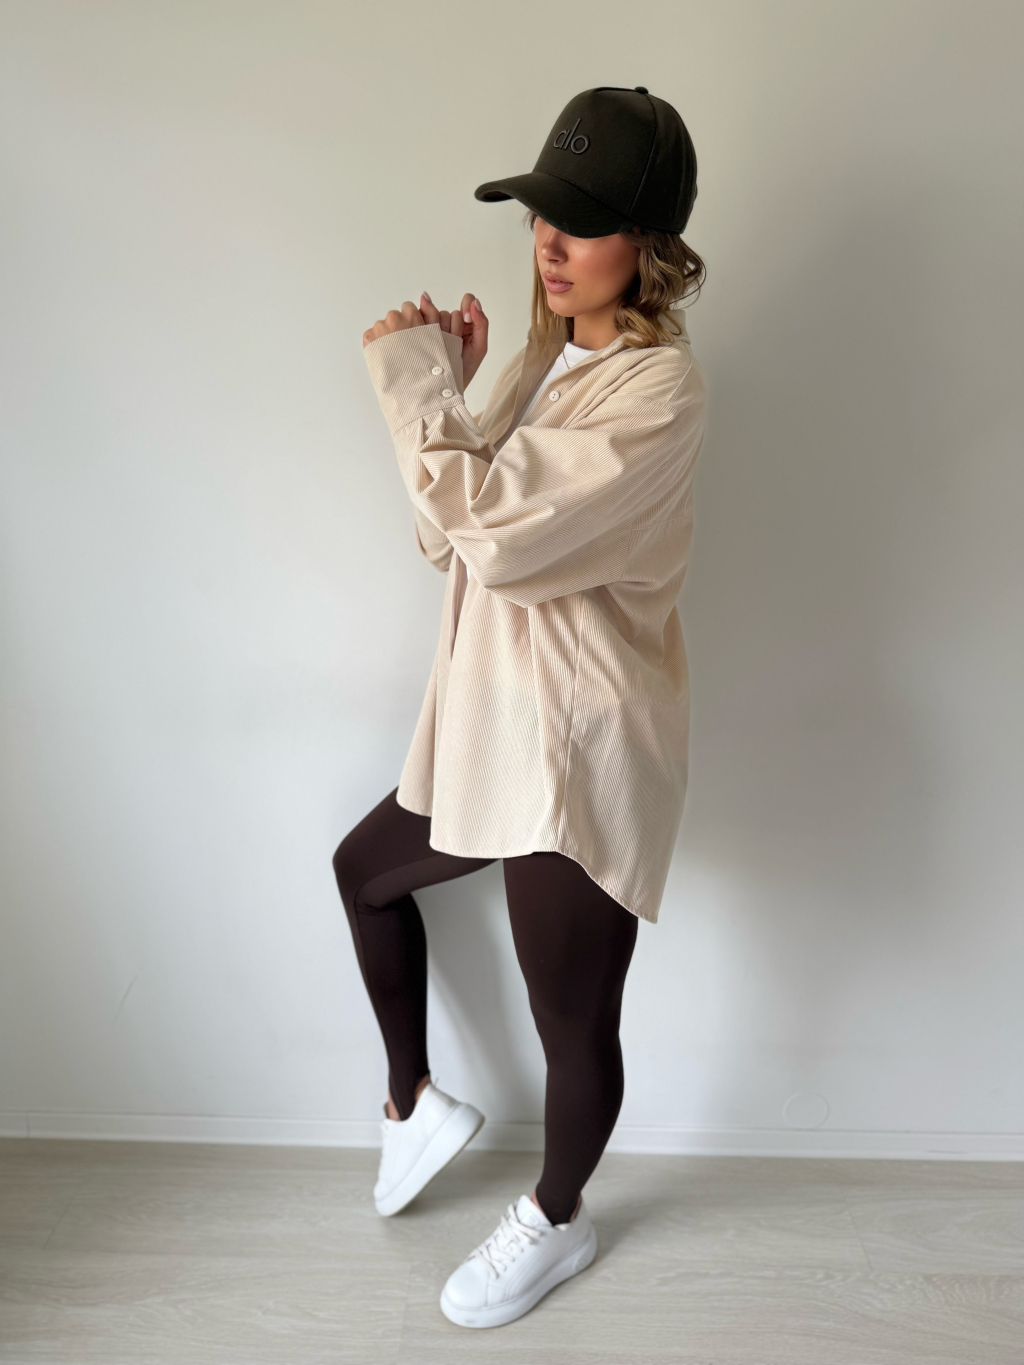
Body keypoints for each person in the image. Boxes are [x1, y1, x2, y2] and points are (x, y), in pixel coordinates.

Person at [333, 85, 707, 1330]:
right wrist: (459, 385)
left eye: (581, 222)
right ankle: (411, 1103)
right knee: (363, 873)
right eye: (540, 215)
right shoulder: (552, 361)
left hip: (574, 744)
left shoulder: (655, 392)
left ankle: (555, 1217)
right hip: (489, 722)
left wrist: (414, 384)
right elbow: (439, 534)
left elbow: (489, 533)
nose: (548, 243)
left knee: (572, 1019)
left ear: (647, 245)